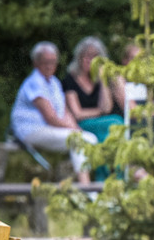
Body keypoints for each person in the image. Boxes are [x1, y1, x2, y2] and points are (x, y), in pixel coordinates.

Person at [10, 41, 98, 185]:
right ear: (36, 63)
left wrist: (75, 127)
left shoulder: (55, 83)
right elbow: (50, 117)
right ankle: (86, 187)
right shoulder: (34, 82)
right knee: (81, 140)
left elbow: (64, 112)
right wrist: (75, 130)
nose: (50, 65)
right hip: (31, 131)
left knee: (88, 139)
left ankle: (79, 185)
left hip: (48, 129)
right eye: (46, 61)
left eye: (53, 61)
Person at [61, 37, 124, 180]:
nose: (89, 60)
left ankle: (111, 177)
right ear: (79, 57)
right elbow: (77, 113)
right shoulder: (70, 80)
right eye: (86, 55)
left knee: (109, 134)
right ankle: (108, 178)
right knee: (115, 123)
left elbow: (106, 107)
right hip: (80, 125)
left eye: (94, 56)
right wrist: (99, 112)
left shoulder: (98, 80)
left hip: (100, 124)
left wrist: (102, 80)